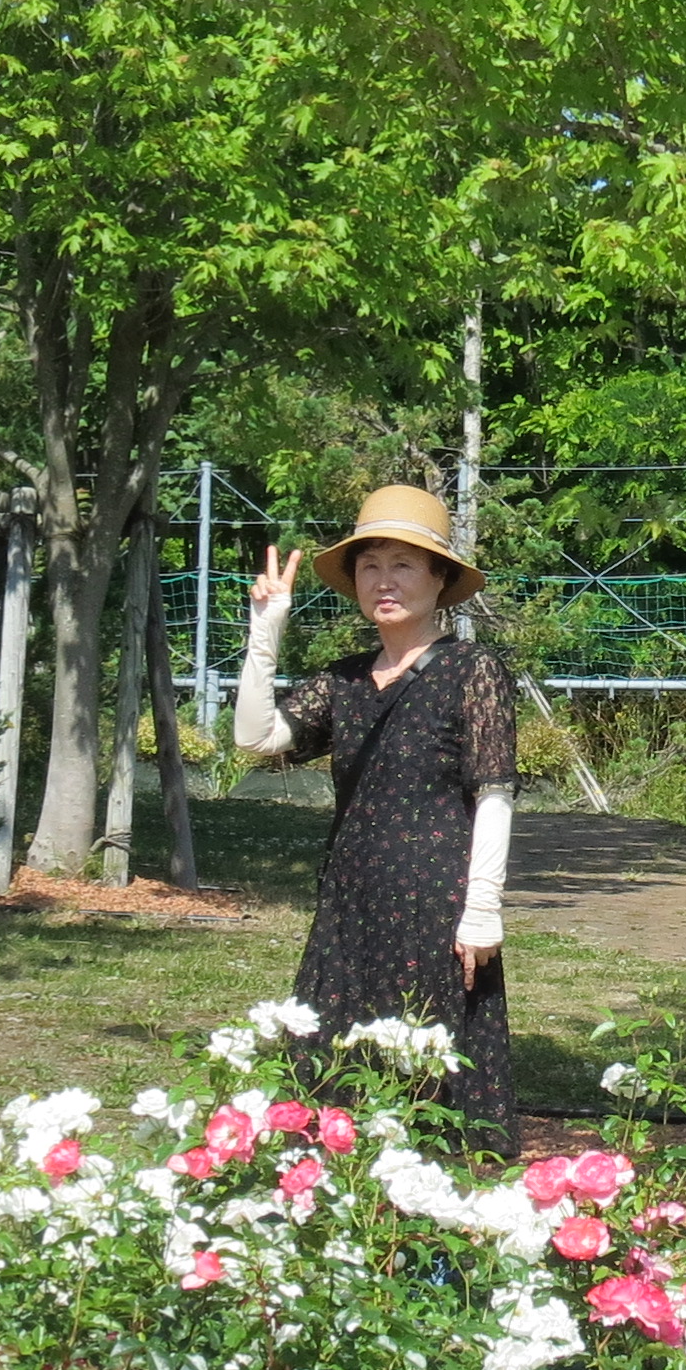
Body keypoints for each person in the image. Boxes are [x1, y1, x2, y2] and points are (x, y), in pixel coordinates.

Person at [231, 485, 520, 1151]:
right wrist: (266, 631)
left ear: (440, 579)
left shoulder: (472, 670)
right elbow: (255, 738)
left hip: (436, 903)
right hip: (350, 902)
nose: (384, 581)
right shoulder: (344, 680)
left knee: (430, 1076)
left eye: (403, 565)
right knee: (330, 1069)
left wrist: (482, 907)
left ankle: (430, 1204)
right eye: (370, 566)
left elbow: (495, 793)